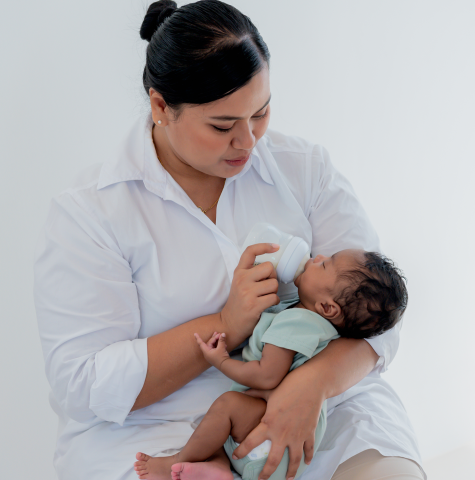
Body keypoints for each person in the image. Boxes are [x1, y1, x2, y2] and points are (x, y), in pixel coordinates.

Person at [33, 1, 425, 479]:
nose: (249, 142)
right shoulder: (91, 212)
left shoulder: (304, 169)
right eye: (222, 126)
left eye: (261, 113)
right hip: (151, 428)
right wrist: (226, 323)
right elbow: (83, 383)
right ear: (161, 107)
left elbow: (377, 311)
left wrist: (311, 386)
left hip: (322, 404)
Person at [134, 249, 408, 480]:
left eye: (325, 264)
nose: (317, 257)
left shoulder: (296, 323)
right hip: (283, 442)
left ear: (327, 307)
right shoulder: (312, 320)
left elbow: (266, 376)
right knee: (217, 430)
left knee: (226, 407)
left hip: (273, 437)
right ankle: (219, 467)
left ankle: (177, 461)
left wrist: (221, 361)